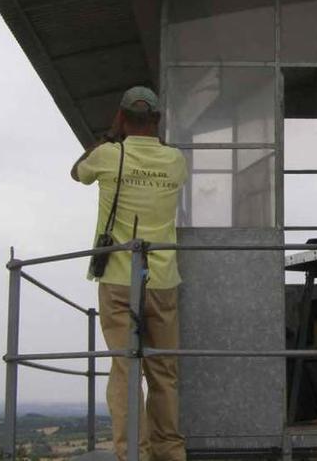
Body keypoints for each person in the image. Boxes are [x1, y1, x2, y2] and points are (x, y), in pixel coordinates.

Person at [71, 86, 188, 461]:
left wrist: (110, 135)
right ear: (157, 120)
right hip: (164, 280)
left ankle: (134, 454)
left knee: (124, 370)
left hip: (118, 280)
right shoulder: (176, 161)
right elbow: (163, 156)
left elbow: (77, 172)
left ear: (121, 117)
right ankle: (171, 452)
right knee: (164, 373)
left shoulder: (108, 155)